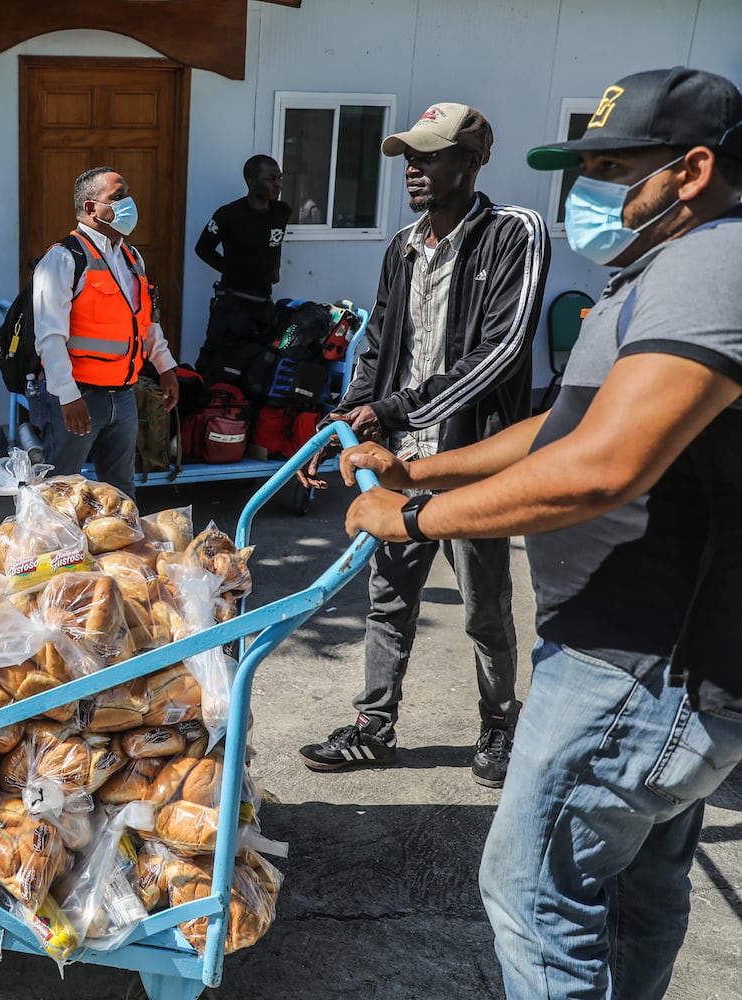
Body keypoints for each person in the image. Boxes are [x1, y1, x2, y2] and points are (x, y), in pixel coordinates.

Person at [336, 66, 742, 1000]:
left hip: (641, 663)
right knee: (636, 889)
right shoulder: (654, 268)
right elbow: (566, 422)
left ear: (691, 169)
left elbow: (602, 467)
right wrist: (420, 466)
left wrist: (412, 514)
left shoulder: (711, 261)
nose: (587, 189)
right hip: (640, 654)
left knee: (530, 893)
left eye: (610, 165)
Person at [297, 102, 550, 787]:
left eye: (431, 155)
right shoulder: (402, 247)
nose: (413, 167)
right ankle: (374, 727)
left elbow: (501, 351)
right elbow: (377, 342)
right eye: (410, 154)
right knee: (388, 597)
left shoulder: (512, 234)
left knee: (485, 607)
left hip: (472, 460)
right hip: (399, 462)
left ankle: (498, 726)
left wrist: (393, 409)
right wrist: (349, 420)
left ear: (471, 162)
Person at [30, 166, 179, 499]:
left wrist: (166, 367)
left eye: (127, 194)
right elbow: (50, 337)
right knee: (61, 491)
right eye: (118, 197)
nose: (129, 203)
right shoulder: (65, 258)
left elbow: (146, 322)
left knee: (120, 491)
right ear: (90, 208)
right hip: (78, 397)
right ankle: (54, 552)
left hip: (123, 395)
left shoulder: (131, 257)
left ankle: (118, 551)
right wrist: (67, 395)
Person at [193, 154, 291, 377]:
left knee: (258, 366)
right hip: (232, 304)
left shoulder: (281, 212)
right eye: (270, 179)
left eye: (280, 178)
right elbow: (202, 249)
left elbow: (273, 246)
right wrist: (231, 270)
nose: (278, 184)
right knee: (215, 365)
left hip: (264, 303)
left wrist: (273, 269)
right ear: (251, 181)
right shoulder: (228, 215)